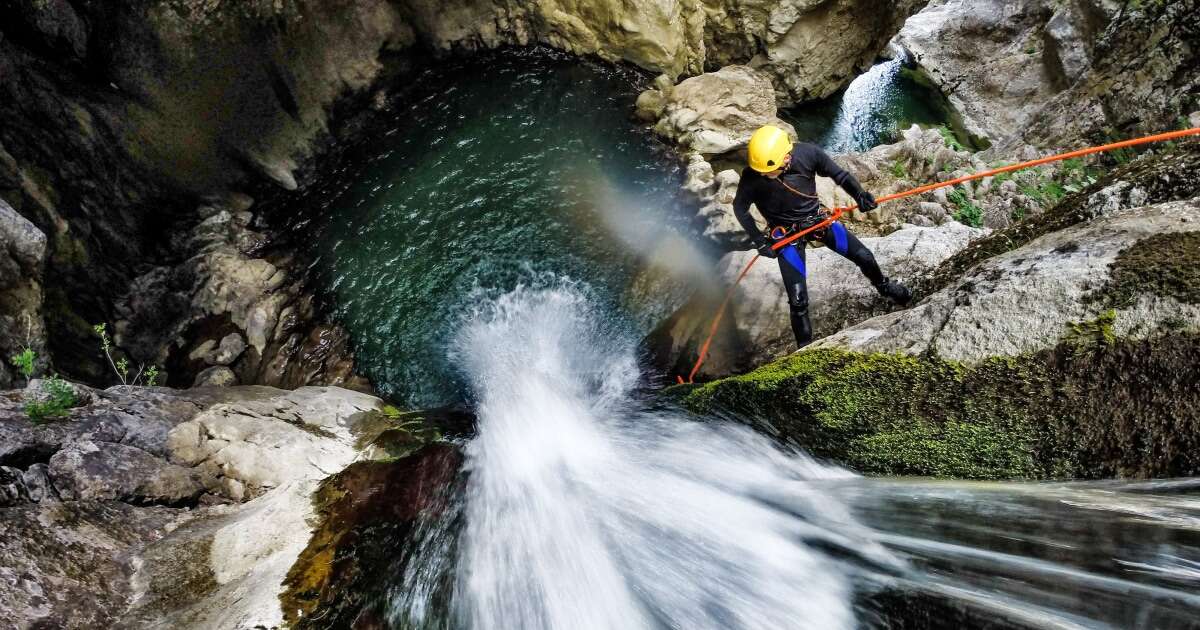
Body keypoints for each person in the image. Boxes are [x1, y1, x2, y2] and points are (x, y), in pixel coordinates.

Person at [732, 124, 912, 349]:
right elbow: (740, 208)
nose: (764, 175)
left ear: (786, 157)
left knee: (864, 256)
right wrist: (759, 240)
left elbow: (840, 175)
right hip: (786, 235)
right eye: (762, 172)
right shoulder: (752, 176)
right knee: (798, 302)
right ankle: (804, 349)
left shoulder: (808, 153)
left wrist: (860, 195)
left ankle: (884, 286)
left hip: (817, 221)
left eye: (770, 170)